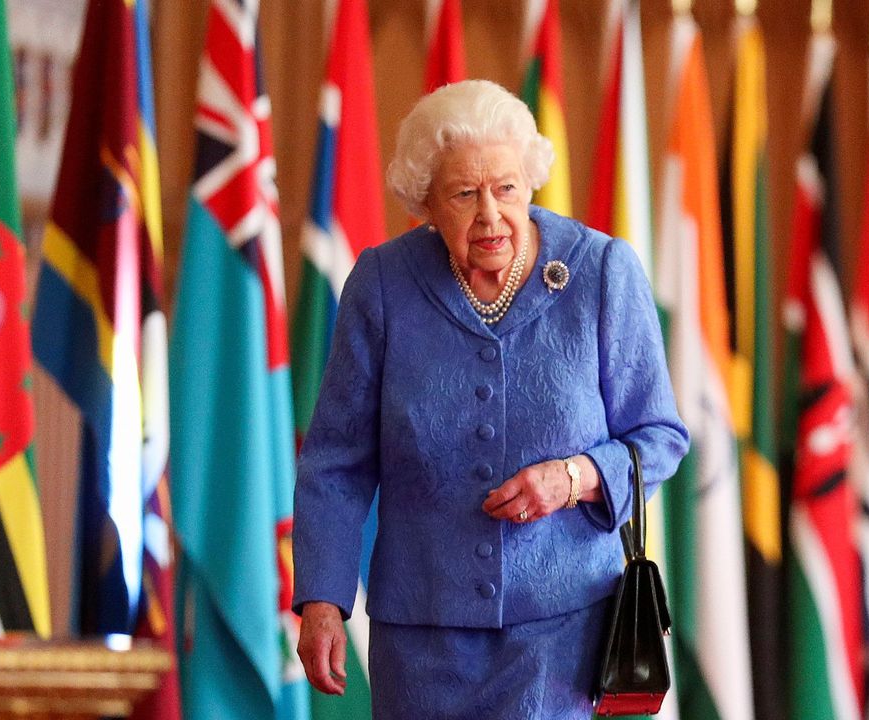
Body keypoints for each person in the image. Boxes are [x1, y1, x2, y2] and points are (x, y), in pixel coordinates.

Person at [293, 79, 688, 719]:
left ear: (529, 182)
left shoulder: (602, 273)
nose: (490, 215)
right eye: (463, 193)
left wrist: (573, 478)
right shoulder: (383, 285)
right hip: (421, 641)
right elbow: (337, 461)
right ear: (425, 201)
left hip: (565, 636)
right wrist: (322, 600)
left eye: (505, 188)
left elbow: (659, 437)